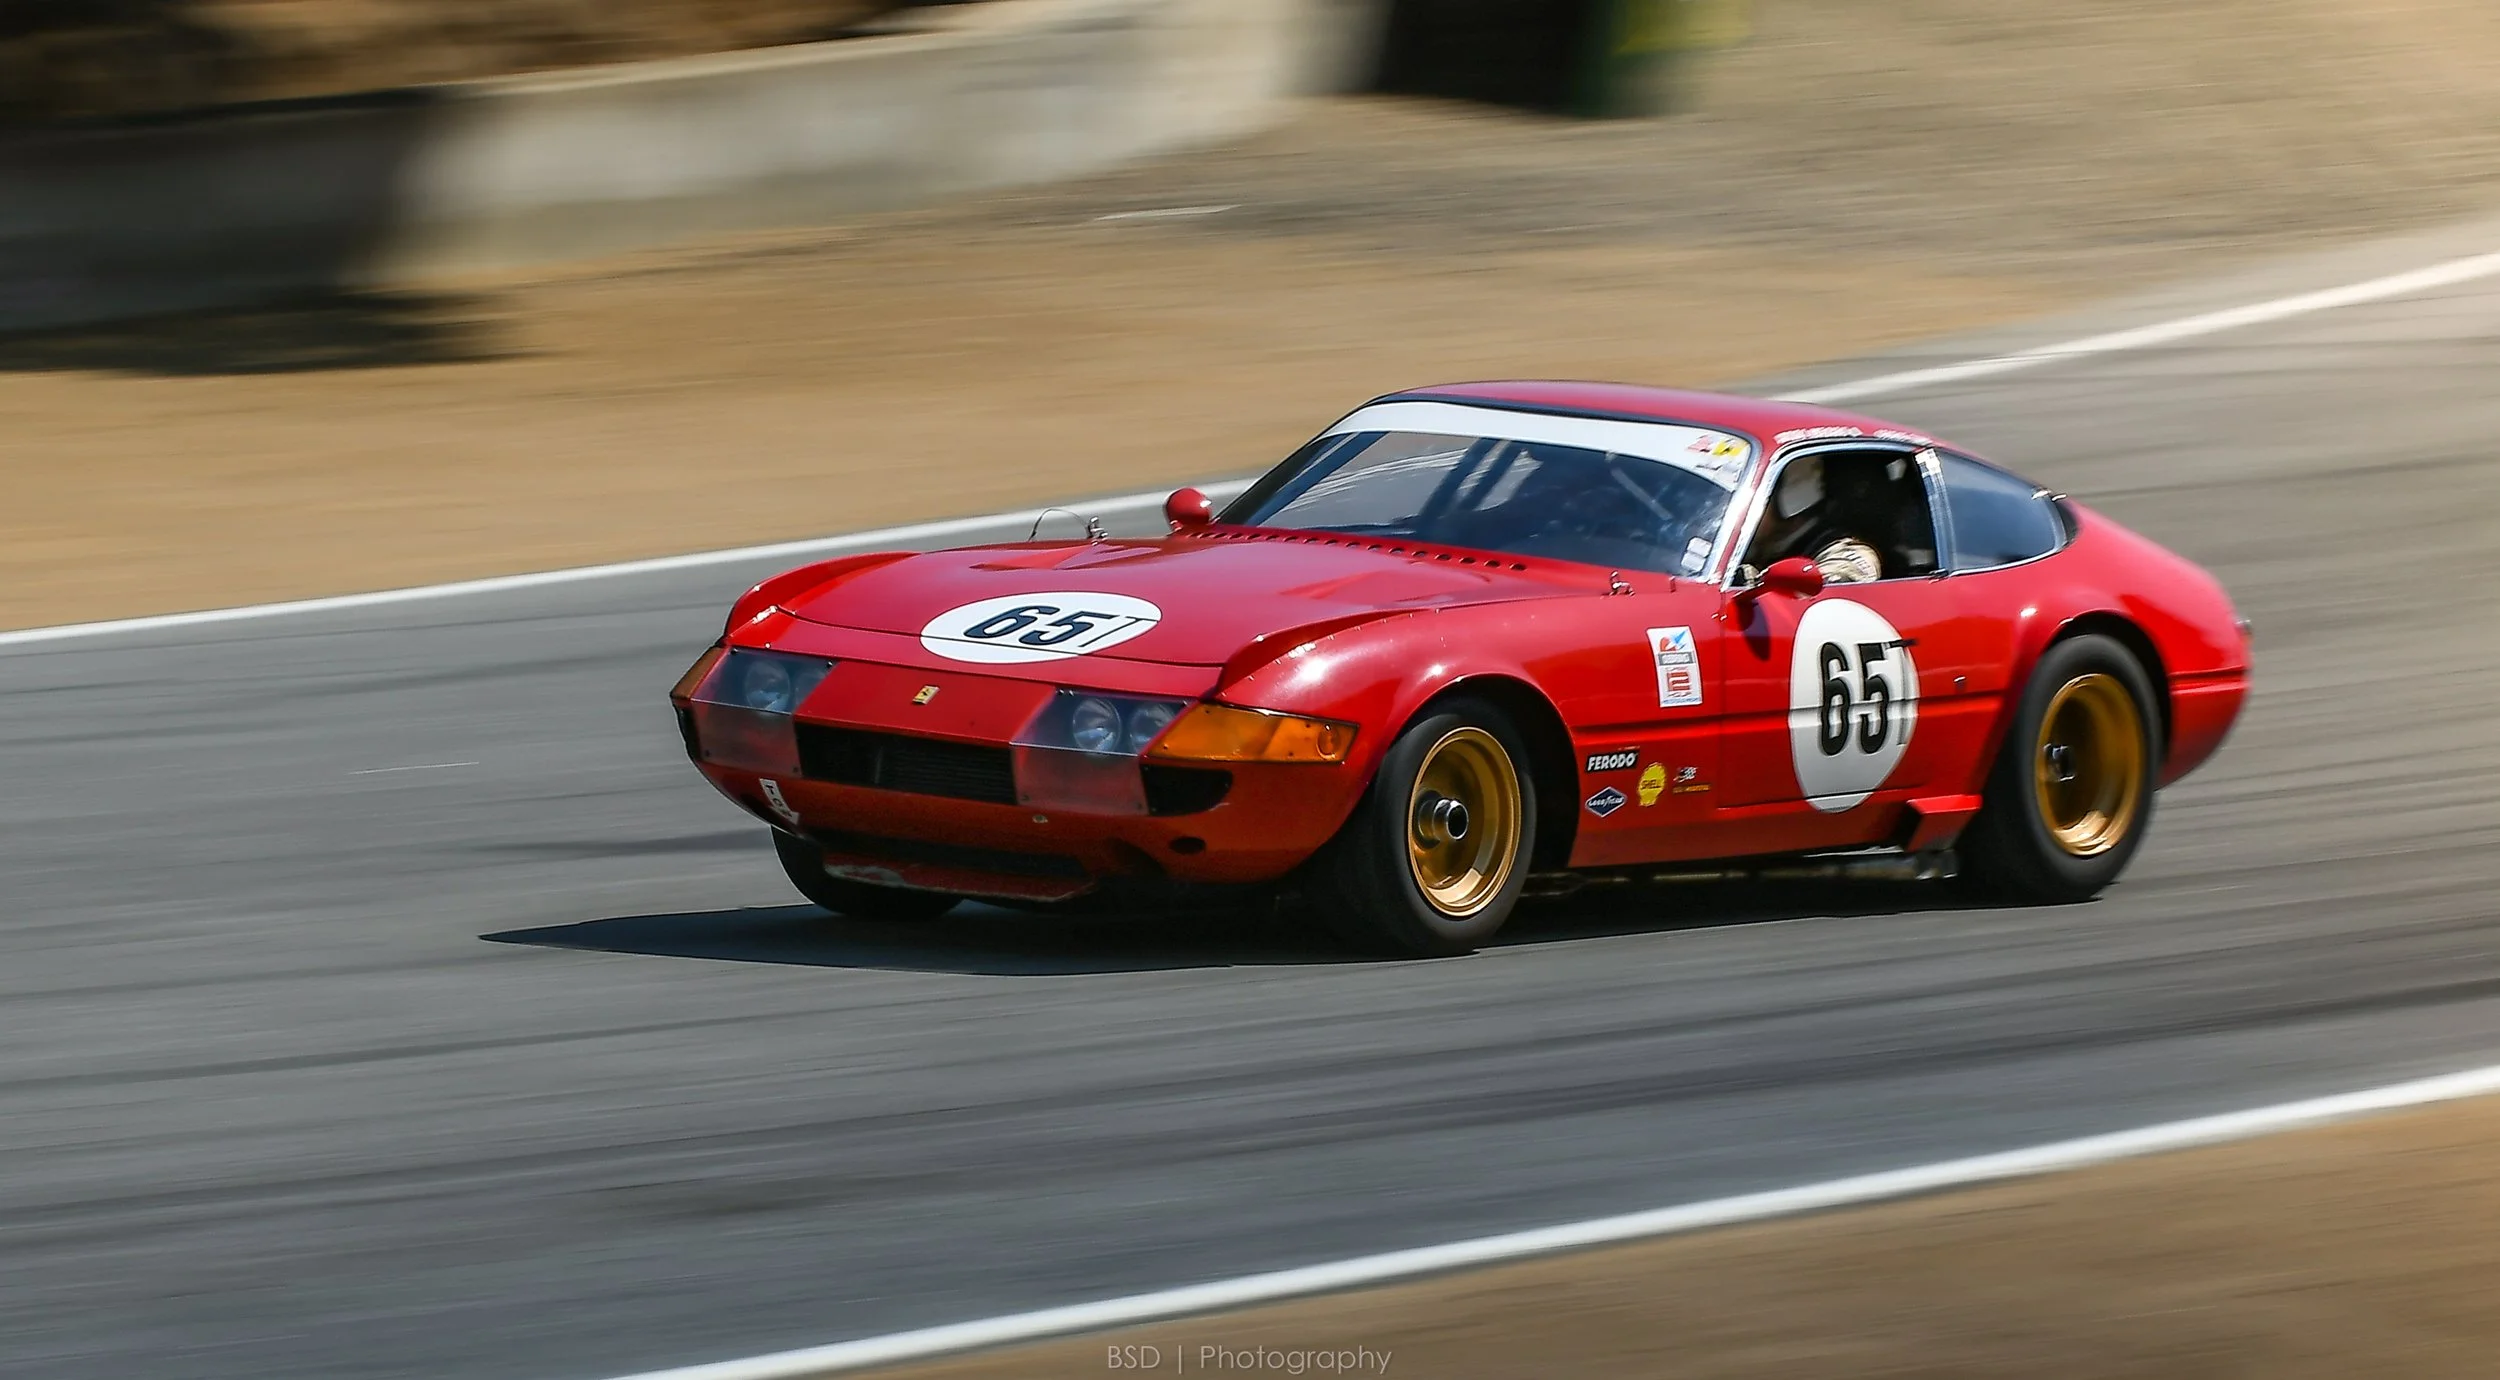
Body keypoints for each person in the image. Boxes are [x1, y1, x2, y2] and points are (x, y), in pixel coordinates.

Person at [1758, 455, 1883, 584]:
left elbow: (1844, 576)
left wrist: (1755, 583)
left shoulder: (1846, 555)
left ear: (1790, 502)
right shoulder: (1765, 548)